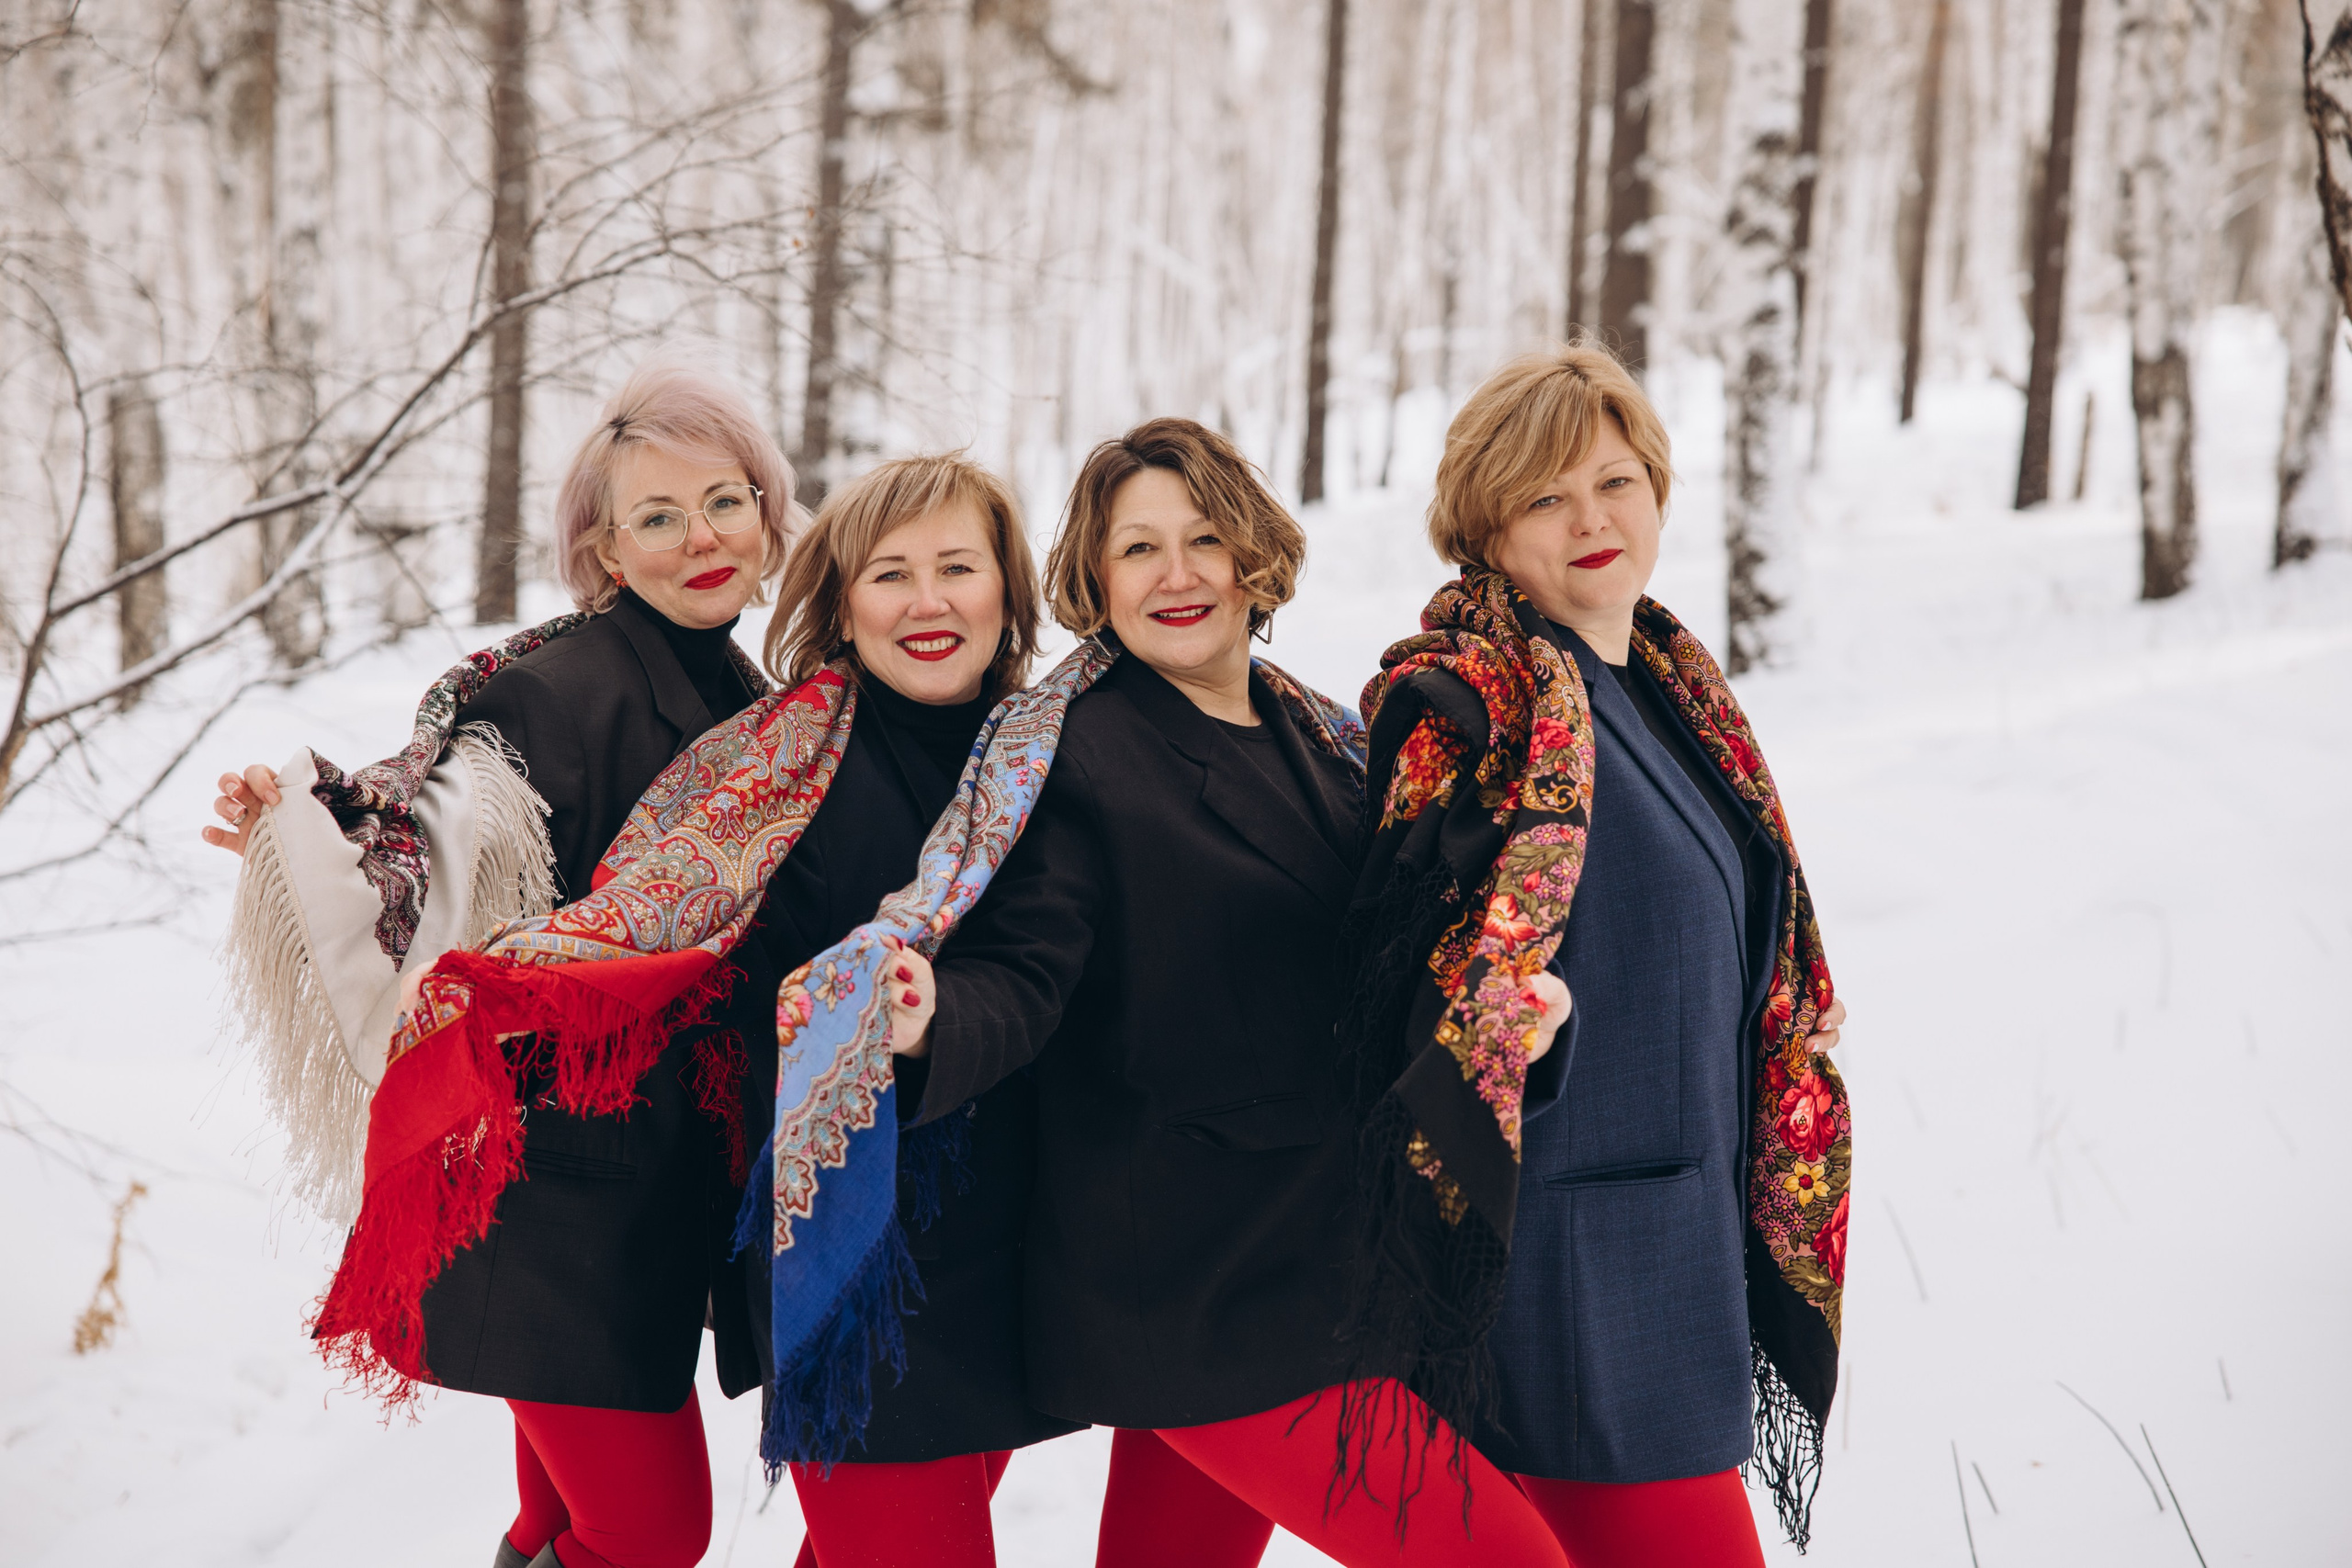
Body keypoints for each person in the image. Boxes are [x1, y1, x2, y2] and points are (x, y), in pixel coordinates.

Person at [877, 418, 1575, 1568]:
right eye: (1137, 548)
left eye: (1203, 537)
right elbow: (1025, 963)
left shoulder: (1324, 731)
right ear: (1096, 581)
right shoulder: (1071, 753)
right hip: (1202, 1287)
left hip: (1331, 1250)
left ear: (1253, 553)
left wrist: (1518, 1021)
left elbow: (1397, 958)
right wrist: (933, 1015)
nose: (1177, 573)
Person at [209, 359, 800, 1568]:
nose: (701, 536)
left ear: (768, 509)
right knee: (650, 1534)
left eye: (726, 500)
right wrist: (306, 819)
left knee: (558, 1524)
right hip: (557, 1200)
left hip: (648, 1191)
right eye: (657, 516)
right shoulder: (556, 688)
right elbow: (435, 827)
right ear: (607, 548)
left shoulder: (753, 693)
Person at [1338, 340, 1851, 1566]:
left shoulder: (1669, 686)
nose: (1591, 519)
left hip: (1683, 1235)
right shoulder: (1470, 708)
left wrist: (1769, 1014)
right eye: (1544, 496)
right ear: (1485, 527)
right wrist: (1511, 1019)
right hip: (1563, 1257)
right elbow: (1395, 979)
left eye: (1616, 480)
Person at [742, 455, 1078, 1568]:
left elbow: (1054, 963)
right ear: (843, 603)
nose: (927, 601)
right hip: (845, 1246)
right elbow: (654, 910)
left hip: (1011, 1244)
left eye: (956, 567)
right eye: (890, 574)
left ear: (1006, 592)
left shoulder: (1053, 754)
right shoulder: (776, 764)